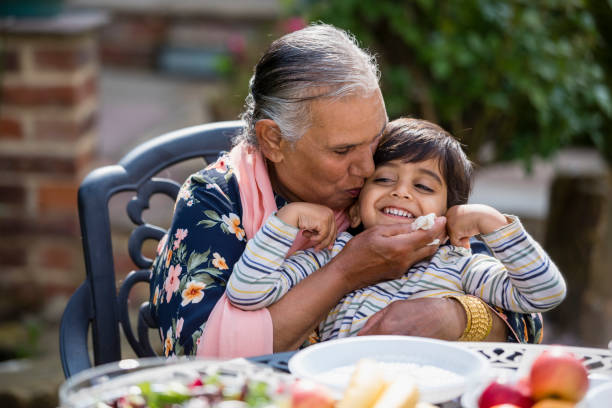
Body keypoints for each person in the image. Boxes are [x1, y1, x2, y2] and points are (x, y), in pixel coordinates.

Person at [149, 23, 543, 358]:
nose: (369, 167)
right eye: (343, 150)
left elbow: (527, 317)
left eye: (374, 139)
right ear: (273, 140)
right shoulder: (214, 203)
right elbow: (196, 361)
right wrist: (346, 271)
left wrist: (451, 316)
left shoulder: (386, 185)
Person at [226, 118, 567, 342]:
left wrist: (493, 222)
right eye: (385, 179)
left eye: (423, 187)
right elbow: (246, 294)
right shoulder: (325, 256)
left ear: (448, 220)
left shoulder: (460, 264)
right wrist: (287, 221)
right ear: (355, 210)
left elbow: (544, 295)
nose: (401, 192)